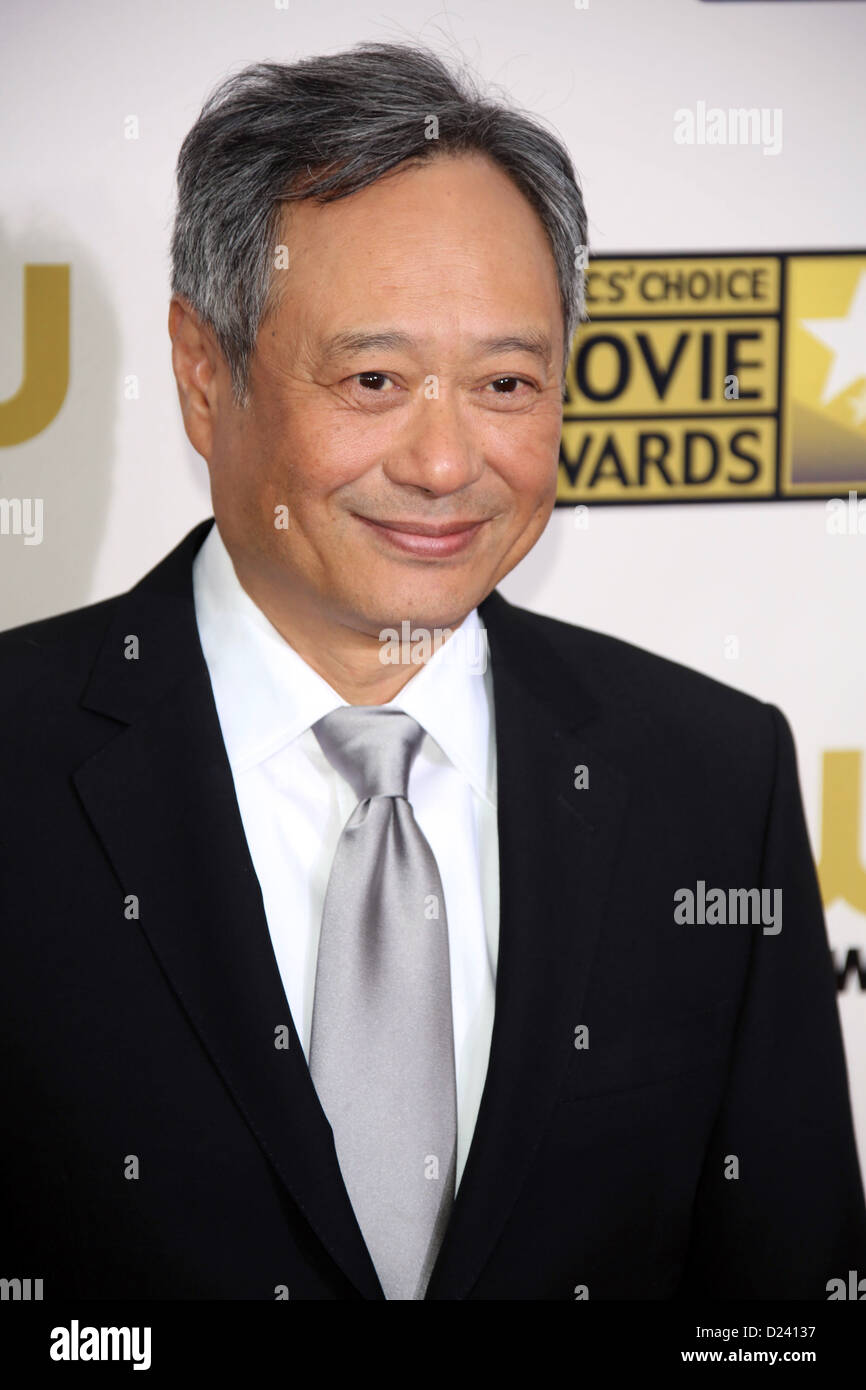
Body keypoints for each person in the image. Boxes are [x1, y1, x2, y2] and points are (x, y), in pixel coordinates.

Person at [1, 42, 864, 1301]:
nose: (447, 461)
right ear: (204, 374)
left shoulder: (711, 779)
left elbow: (779, 1310)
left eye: (505, 383)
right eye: (373, 380)